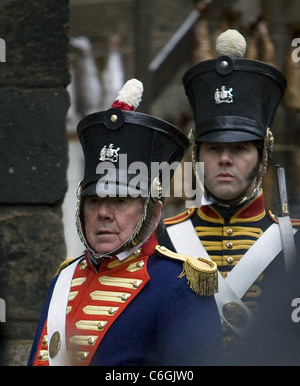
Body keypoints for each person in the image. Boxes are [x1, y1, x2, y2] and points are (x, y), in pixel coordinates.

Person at [28, 79, 221, 366]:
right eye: (94, 201)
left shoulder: (178, 286)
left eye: (120, 201)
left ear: (153, 214)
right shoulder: (64, 280)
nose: (103, 213)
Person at [161, 29, 300, 365]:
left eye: (239, 148)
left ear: (262, 155)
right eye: (214, 148)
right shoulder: (164, 238)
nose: (225, 159)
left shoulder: (294, 240)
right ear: (197, 155)